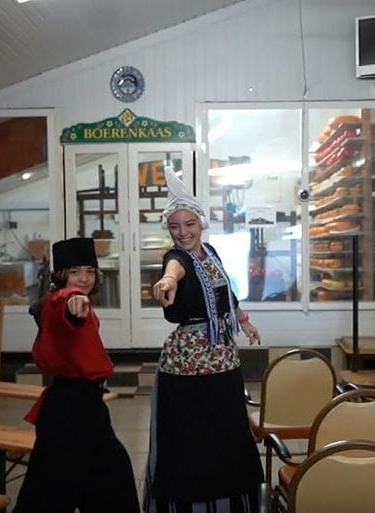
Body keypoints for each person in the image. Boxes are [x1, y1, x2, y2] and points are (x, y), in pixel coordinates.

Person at [143, 166, 263, 513]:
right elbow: (173, 269)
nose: (183, 233)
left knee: (225, 429)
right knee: (193, 434)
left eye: (189, 224)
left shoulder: (210, 252)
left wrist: (243, 320)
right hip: (189, 362)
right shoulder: (176, 257)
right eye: (175, 227)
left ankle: (228, 499)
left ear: (201, 224)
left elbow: (227, 291)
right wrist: (166, 283)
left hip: (223, 354)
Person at [13, 238, 139, 513]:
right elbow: (65, 302)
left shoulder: (70, 304)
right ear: (61, 276)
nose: (84, 278)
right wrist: (73, 301)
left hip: (81, 405)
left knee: (103, 479)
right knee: (53, 488)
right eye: (75, 272)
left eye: (90, 271)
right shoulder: (62, 301)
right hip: (69, 410)